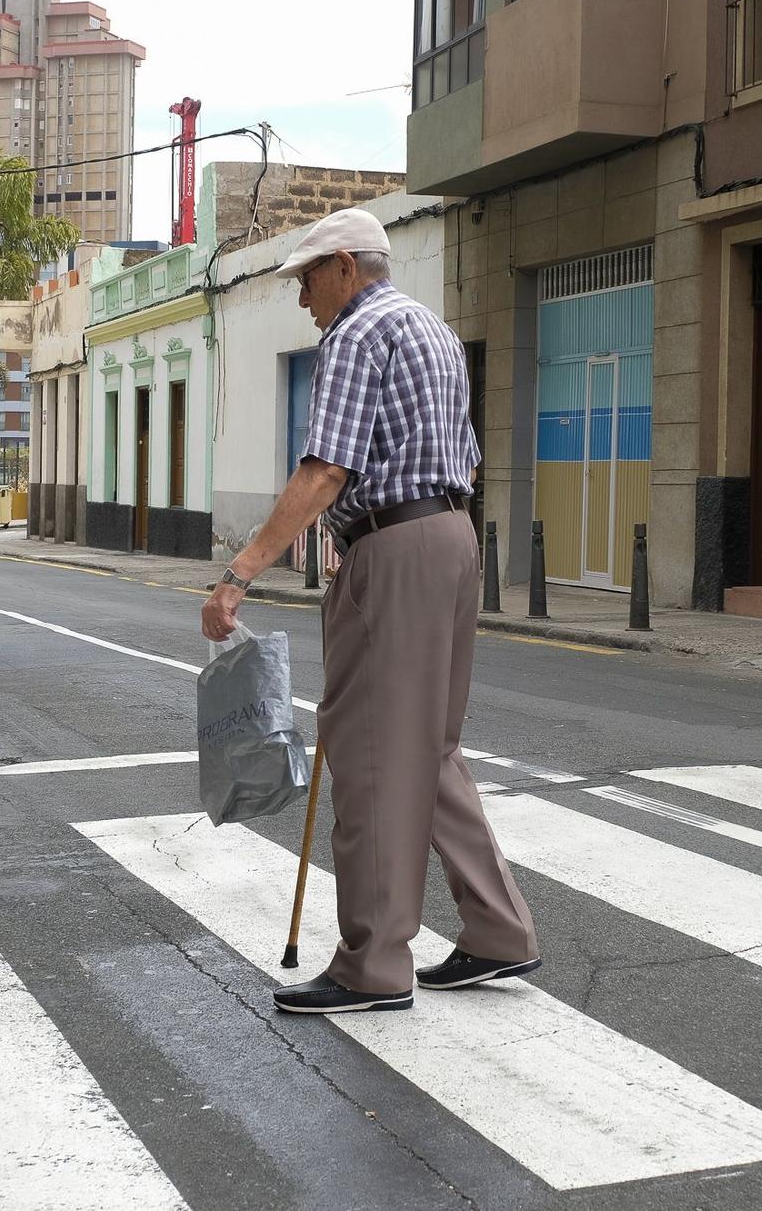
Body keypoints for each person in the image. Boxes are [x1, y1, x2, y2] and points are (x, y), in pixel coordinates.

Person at [201, 207, 539, 1015]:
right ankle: (497, 929)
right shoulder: (431, 329)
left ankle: (375, 962)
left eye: (310, 279)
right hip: (451, 538)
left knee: (369, 755)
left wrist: (239, 572)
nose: (303, 298)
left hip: (394, 549)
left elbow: (325, 471)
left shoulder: (355, 334)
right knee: (432, 748)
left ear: (347, 268)